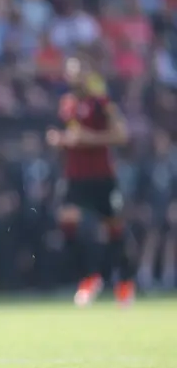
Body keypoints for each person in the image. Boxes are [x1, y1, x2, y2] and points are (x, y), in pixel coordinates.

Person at [47, 57, 135, 307]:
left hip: (102, 176)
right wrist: (60, 140)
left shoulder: (102, 103)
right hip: (75, 176)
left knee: (115, 231)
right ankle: (90, 277)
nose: (75, 77)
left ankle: (125, 283)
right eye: (71, 73)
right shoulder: (66, 105)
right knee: (67, 222)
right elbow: (72, 136)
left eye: (80, 72)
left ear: (87, 75)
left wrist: (89, 138)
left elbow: (121, 135)